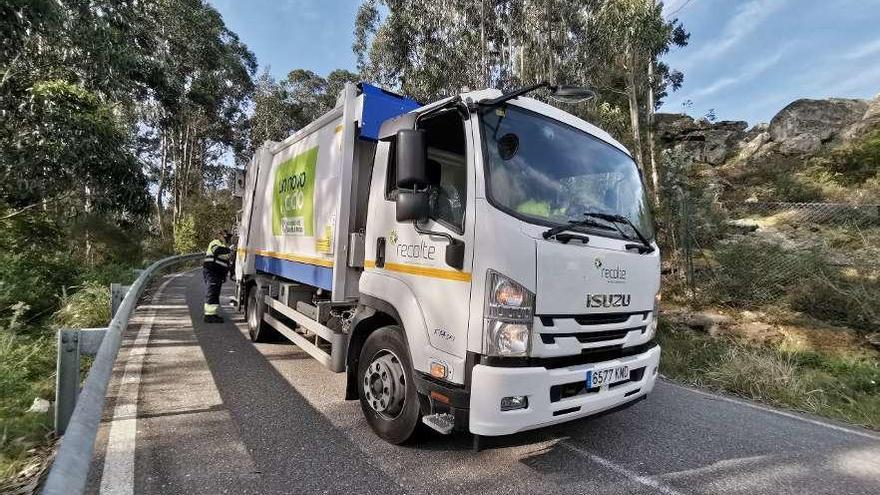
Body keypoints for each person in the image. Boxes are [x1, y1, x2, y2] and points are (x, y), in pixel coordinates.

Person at [203, 229, 232, 323]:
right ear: (220, 236)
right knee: (212, 292)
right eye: (226, 237)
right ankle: (209, 316)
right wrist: (230, 249)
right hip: (211, 271)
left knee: (215, 293)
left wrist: (225, 275)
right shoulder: (215, 243)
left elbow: (225, 263)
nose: (228, 239)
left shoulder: (223, 246)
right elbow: (217, 251)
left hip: (217, 273)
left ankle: (213, 314)